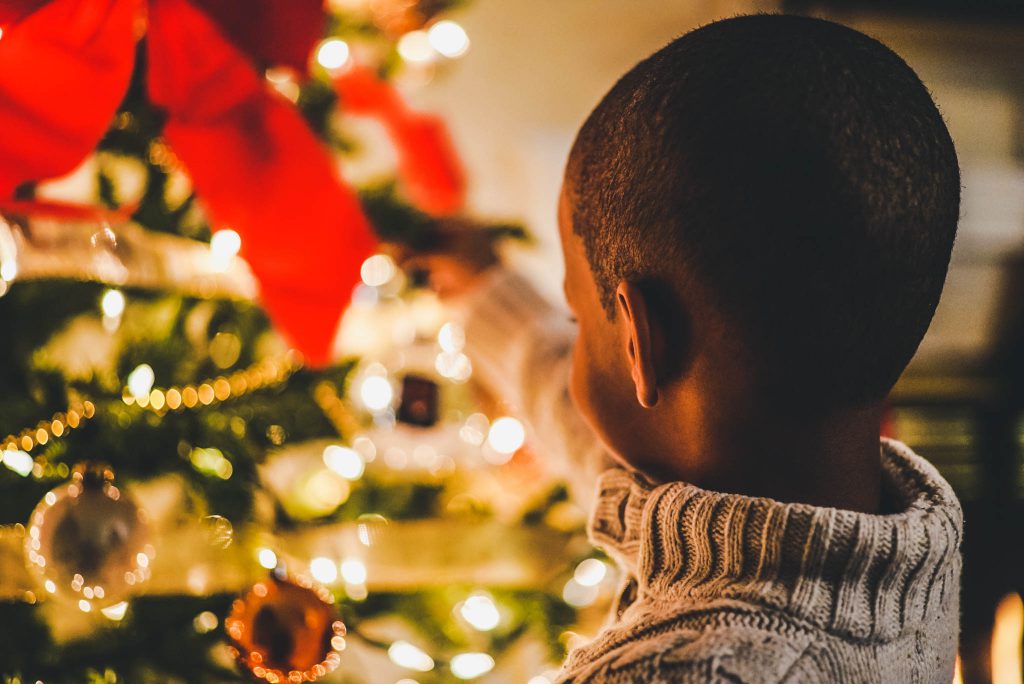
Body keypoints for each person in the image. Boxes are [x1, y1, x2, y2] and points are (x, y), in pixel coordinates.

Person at [405, 13, 963, 683]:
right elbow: (602, 444)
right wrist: (484, 289)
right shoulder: (894, 544)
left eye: (581, 317)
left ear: (641, 341)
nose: (575, 335)